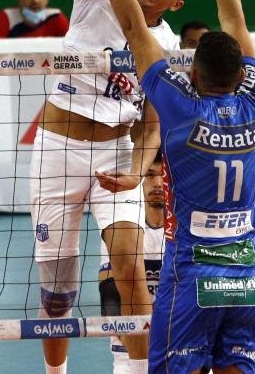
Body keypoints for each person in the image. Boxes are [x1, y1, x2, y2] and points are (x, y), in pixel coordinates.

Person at [59, 0, 255, 374]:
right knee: (236, 367)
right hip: (244, 268)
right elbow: (234, 16)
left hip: (192, 271)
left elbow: (135, 29)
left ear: (192, 72)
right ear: (242, 72)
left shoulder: (179, 105)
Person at [30, 0, 198, 374]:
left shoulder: (167, 48)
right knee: (57, 297)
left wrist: (139, 165)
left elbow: (152, 121)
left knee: (128, 267)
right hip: (56, 152)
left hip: (116, 154)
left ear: (174, 4)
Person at [98, 155, 164, 374]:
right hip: (128, 354)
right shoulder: (123, 231)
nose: (158, 183)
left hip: (179, 350)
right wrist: (134, 341)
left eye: (164, 176)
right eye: (150, 175)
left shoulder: (185, 230)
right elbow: (110, 297)